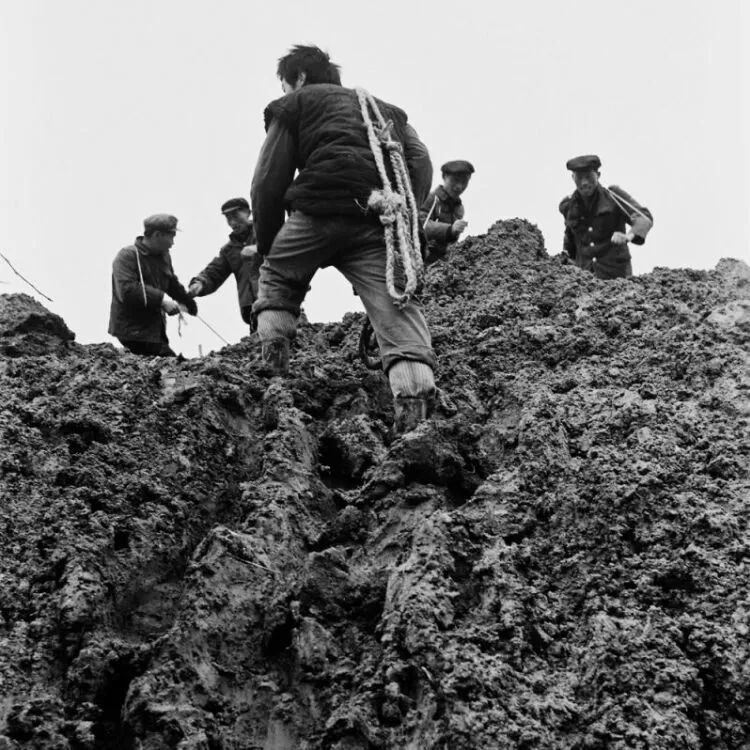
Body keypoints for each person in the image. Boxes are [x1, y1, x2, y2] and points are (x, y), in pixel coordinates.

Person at [251, 44, 436, 431]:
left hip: (315, 213)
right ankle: (415, 421)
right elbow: (419, 160)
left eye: (285, 81)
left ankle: (269, 388)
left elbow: (268, 182)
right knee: (397, 313)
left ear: (299, 77)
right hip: (375, 223)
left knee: (278, 282)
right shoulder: (384, 110)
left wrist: (270, 251)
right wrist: (406, 225)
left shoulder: (295, 103)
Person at [108, 214, 197, 356]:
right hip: (132, 331)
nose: (172, 243)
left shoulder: (164, 256)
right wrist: (162, 301)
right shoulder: (128, 256)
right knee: (168, 364)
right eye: (171, 236)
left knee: (159, 366)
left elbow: (171, 282)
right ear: (157, 235)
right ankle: (170, 379)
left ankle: (161, 378)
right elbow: (127, 290)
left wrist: (187, 301)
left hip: (154, 331)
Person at [559, 155, 653, 279]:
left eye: (588, 177)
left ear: (598, 175)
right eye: (579, 178)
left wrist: (628, 237)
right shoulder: (568, 205)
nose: (584, 182)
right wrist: (566, 259)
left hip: (617, 279)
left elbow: (644, 218)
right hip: (585, 281)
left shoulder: (614, 196)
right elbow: (570, 239)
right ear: (573, 178)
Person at [188, 197, 261, 332]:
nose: (232, 222)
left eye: (235, 216)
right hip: (251, 311)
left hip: (277, 301)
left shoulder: (266, 234)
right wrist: (199, 284)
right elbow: (214, 272)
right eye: (228, 218)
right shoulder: (229, 250)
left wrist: (260, 249)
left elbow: (286, 250)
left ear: (248, 213)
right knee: (260, 349)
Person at [420, 160, 474, 264]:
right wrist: (449, 229)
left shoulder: (459, 208)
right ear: (444, 177)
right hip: (423, 259)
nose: (459, 186)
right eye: (455, 180)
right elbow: (421, 225)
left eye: (464, 182)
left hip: (442, 263)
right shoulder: (431, 199)